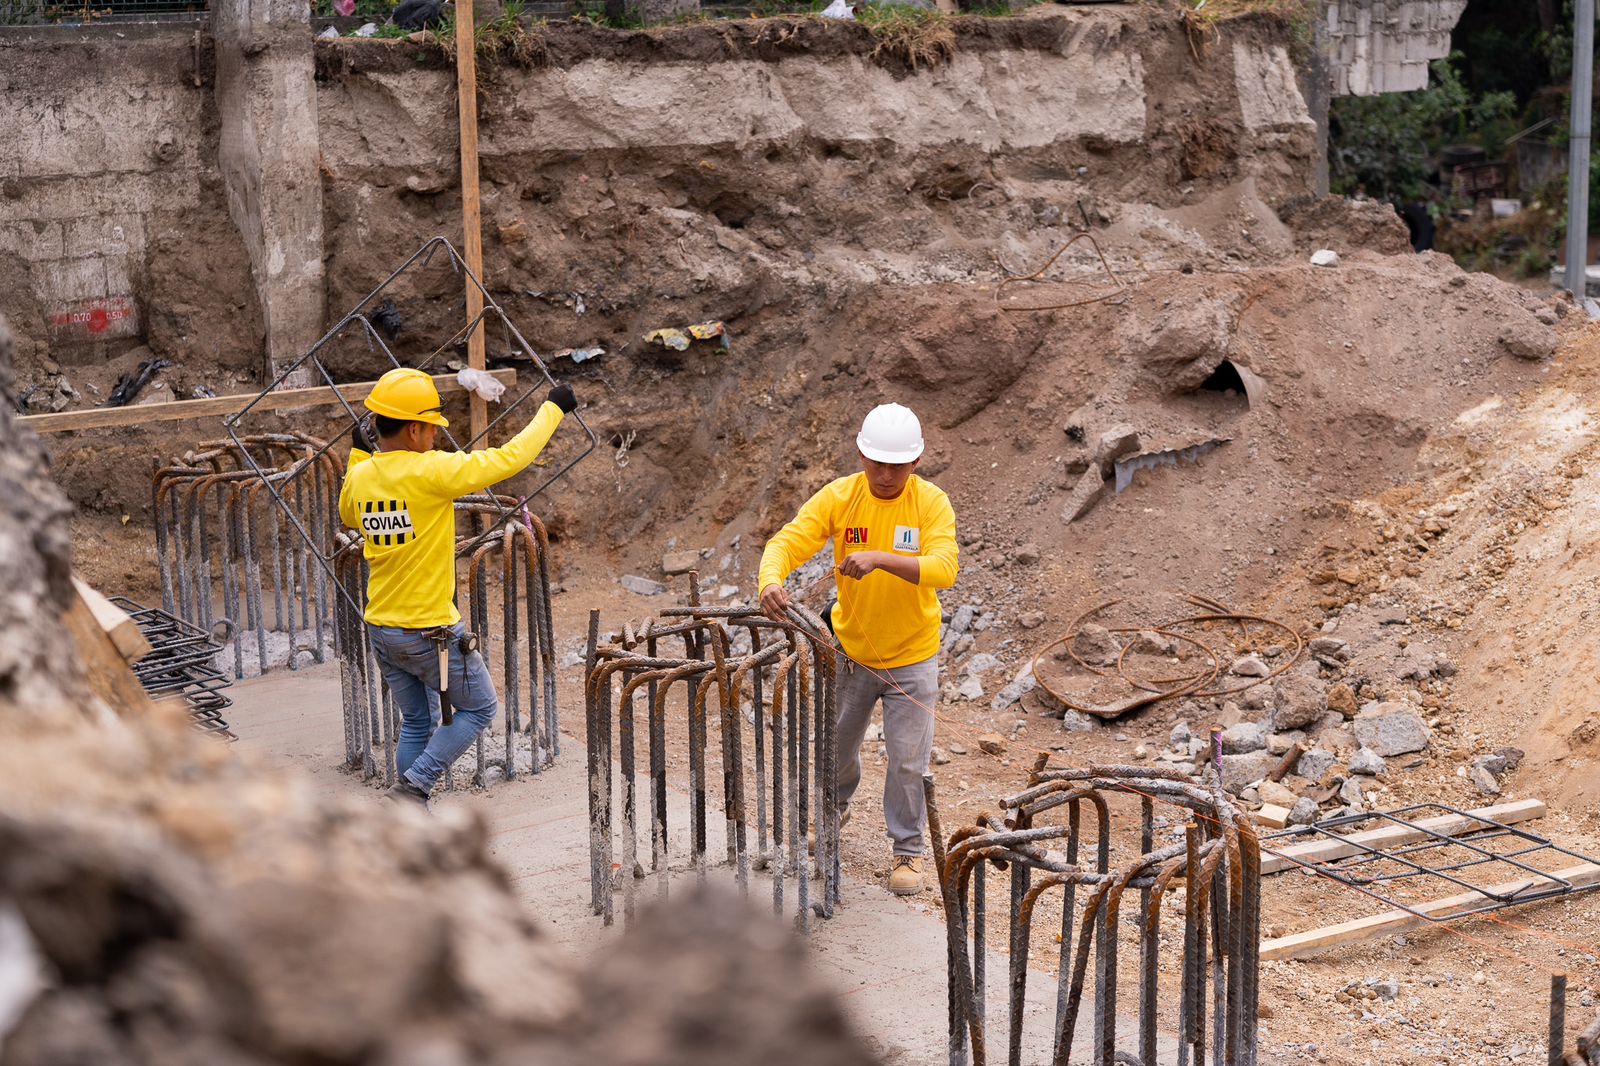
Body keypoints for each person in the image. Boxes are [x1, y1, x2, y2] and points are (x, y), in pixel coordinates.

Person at [338, 368, 578, 808]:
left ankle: (409, 818)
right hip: (429, 630)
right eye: (432, 429)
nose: (435, 438)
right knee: (482, 708)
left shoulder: (361, 478)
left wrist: (357, 454)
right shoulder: (433, 472)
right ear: (414, 429)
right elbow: (509, 458)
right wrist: (553, 409)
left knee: (416, 721)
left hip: (381, 627)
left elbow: (350, 515)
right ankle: (413, 789)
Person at [757, 403, 958, 895]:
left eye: (898, 466)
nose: (886, 475)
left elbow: (944, 568)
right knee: (837, 746)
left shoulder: (931, 503)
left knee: (908, 758)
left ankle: (907, 851)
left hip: (912, 657)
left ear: (916, 462)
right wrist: (769, 579)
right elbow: (790, 541)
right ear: (861, 454)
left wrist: (882, 560)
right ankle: (831, 811)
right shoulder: (840, 497)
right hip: (850, 651)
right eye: (876, 464)